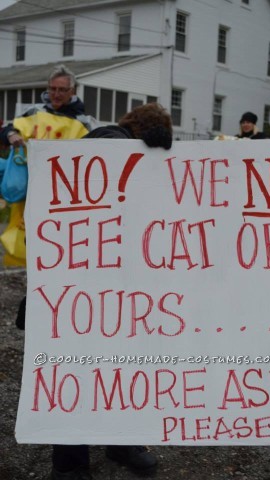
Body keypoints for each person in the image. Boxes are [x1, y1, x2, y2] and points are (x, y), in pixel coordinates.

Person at [16, 102, 172, 480]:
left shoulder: (109, 145)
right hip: (82, 291)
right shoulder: (110, 145)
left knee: (119, 370)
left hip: (115, 288)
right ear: (145, 139)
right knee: (77, 371)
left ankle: (118, 443)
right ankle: (71, 464)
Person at [0, 64, 98, 266]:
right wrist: (11, 134)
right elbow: (7, 129)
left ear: (72, 91)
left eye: (62, 89)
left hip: (65, 194)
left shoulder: (84, 122)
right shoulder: (34, 112)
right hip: (30, 190)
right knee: (27, 235)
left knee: (59, 240)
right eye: (52, 88)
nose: (56, 94)